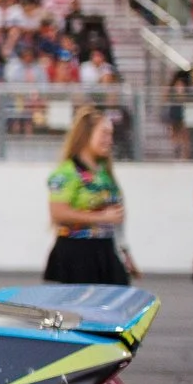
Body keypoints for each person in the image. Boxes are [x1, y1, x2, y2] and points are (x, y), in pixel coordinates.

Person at [43, 106, 130, 285]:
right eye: (104, 134)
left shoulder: (103, 173)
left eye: (111, 134)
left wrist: (124, 252)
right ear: (86, 135)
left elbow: (116, 216)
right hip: (77, 253)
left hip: (105, 250)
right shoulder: (67, 173)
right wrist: (101, 217)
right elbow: (58, 213)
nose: (110, 140)